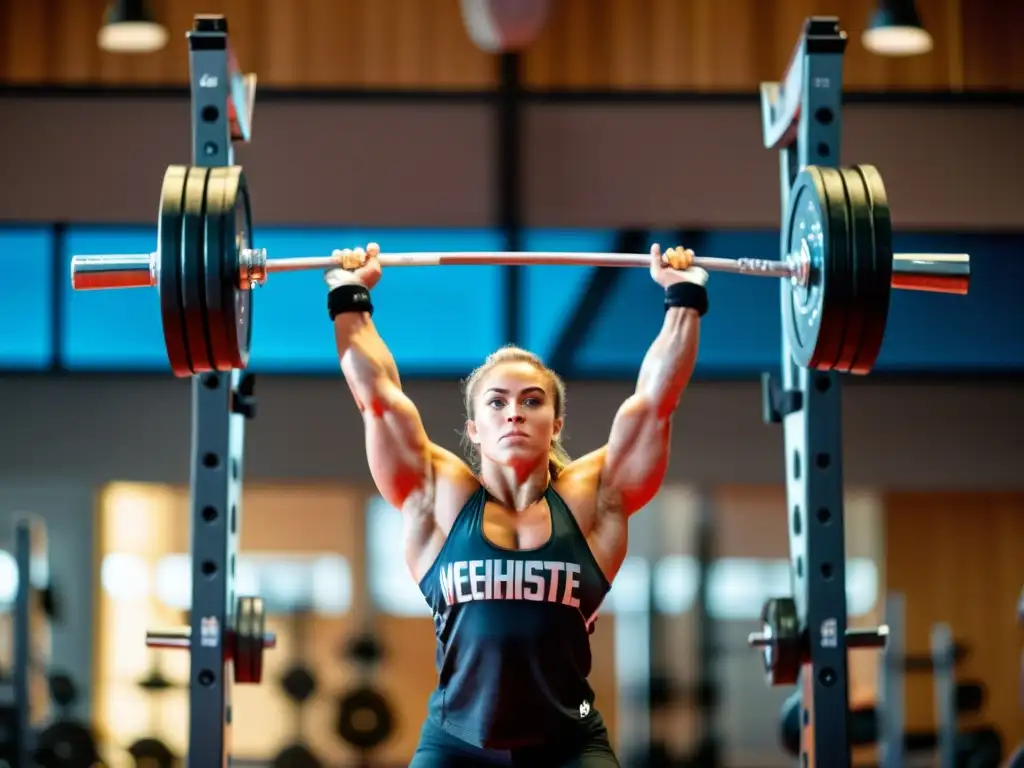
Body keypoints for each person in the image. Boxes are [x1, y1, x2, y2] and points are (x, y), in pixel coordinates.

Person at [325, 242, 708, 767]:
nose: (514, 414)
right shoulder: (438, 498)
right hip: (456, 744)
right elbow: (377, 396)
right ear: (474, 430)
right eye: (497, 402)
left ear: (556, 424)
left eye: (532, 400)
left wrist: (683, 296)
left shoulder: (592, 500)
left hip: (568, 744)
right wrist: (351, 296)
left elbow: (656, 401)